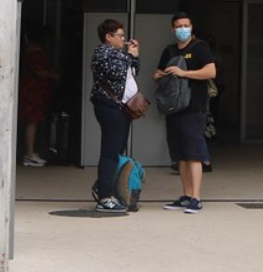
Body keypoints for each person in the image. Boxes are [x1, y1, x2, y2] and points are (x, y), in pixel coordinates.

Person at [153, 11, 216, 213]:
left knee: (194, 154)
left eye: (186, 25)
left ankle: (197, 198)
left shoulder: (200, 47)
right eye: (179, 26)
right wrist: (161, 74)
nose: (182, 29)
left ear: (191, 27)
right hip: (174, 108)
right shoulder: (169, 50)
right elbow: (156, 73)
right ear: (172, 29)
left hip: (194, 107)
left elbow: (210, 71)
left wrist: (184, 73)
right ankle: (186, 195)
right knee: (180, 155)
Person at [89, 18, 141, 214]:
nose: (123, 39)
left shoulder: (119, 54)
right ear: (108, 37)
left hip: (121, 108)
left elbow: (132, 72)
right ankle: (104, 197)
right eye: (120, 35)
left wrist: (134, 57)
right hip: (109, 107)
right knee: (110, 152)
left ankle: (108, 188)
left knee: (117, 150)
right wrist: (129, 55)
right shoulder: (102, 52)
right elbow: (117, 72)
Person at [18, 31, 59, 168]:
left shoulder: (29, 51)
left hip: (31, 91)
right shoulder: (35, 53)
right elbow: (39, 72)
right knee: (32, 122)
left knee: (32, 121)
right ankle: (29, 154)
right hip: (33, 92)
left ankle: (31, 153)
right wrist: (54, 75)